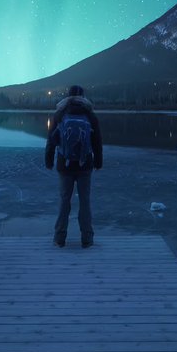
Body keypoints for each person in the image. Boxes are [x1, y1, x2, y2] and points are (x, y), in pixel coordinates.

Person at [45, 84, 103, 248]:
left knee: (64, 201)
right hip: (85, 165)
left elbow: (51, 140)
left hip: (64, 165)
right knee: (85, 201)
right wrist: (98, 162)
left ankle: (59, 238)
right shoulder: (90, 115)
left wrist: (49, 161)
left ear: (67, 97)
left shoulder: (60, 114)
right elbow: (97, 141)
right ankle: (87, 239)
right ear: (83, 97)